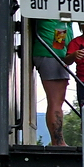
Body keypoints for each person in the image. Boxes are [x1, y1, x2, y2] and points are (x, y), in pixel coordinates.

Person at [31, 18, 73, 146]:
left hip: (55, 52)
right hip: (52, 53)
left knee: (57, 101)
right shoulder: (55, 13)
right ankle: (58, 142)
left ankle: (58, 141)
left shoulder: (57, 16)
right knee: (55, 101)